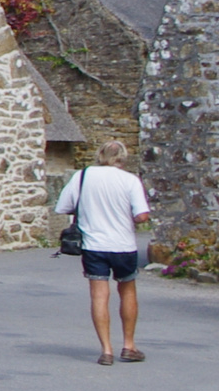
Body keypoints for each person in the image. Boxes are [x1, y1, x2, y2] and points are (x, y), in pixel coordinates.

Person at [53, 141, 152, 365]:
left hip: (93, 245)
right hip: (123, 245)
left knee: (99, 296)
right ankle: (129, 345)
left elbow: (63, 206)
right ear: (123, 158)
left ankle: (106, 350)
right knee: (127, 291)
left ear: (100, 155)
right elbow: (142, 216)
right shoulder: (130, 180)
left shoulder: (83, 176)